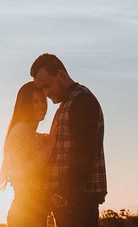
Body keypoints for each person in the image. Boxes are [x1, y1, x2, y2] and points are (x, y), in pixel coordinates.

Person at [30, 54, 106, 227]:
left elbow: (85, 155)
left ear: (61, 75)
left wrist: (62, 194)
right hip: (70, 202)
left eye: (47, 85)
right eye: (41, 88)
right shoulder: (69, 103)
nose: (45, 93)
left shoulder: (82, 101)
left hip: (78, 202)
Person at [0, 81, 52, 227]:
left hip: (32, 212)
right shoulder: (21, 130)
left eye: (42, 100)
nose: (41, 105)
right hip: (26, 214)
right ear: (26, 104)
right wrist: (50, 145)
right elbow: (22, 171)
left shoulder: (30, 133)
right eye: (35, 101)